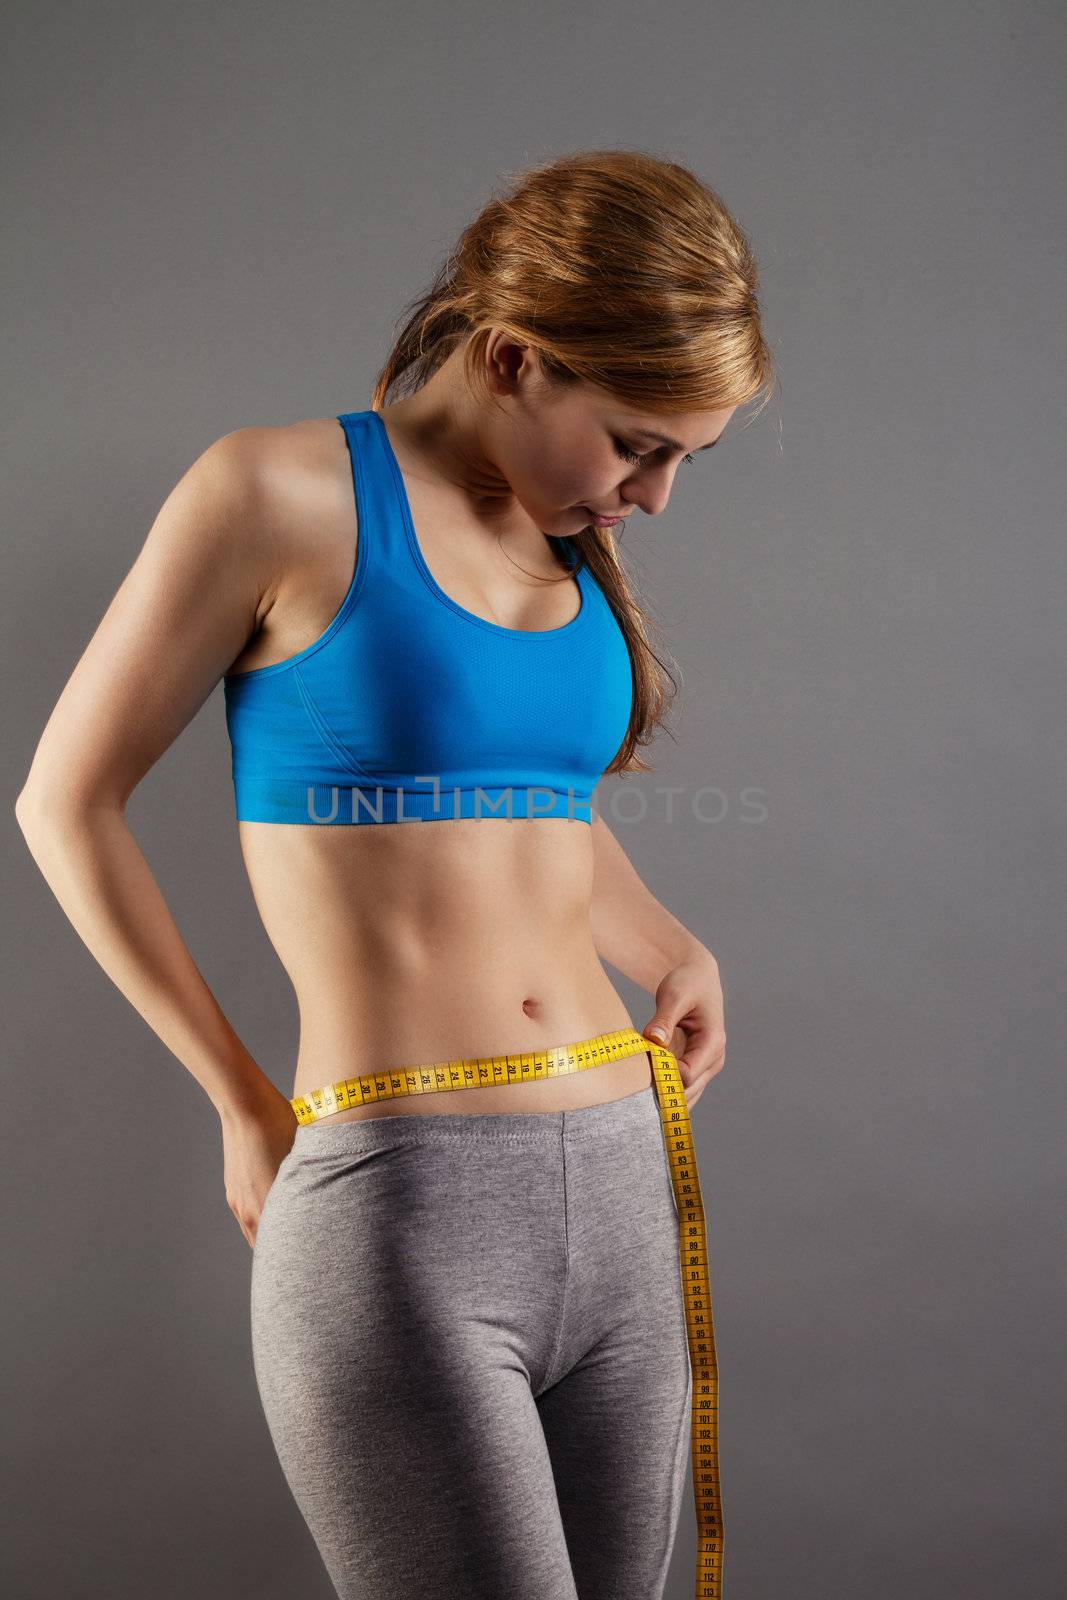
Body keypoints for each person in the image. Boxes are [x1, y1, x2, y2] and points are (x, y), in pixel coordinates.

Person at [16, 148, 773, 1600]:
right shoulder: (276, 492)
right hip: (404, 1208)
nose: (658, 496)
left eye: (685, 457)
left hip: (625, 1182)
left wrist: (670, 942)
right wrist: (242, 1098)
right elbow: (64, 804)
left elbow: (522, 812)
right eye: (637, 444)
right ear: (511, 357)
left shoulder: (558, 544)